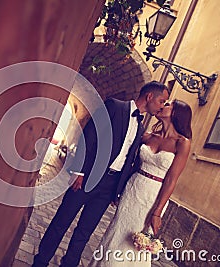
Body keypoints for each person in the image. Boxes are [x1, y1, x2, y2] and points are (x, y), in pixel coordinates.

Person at [32, 81, 169, 267]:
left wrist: (117, 190)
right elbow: (89, 135)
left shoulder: (140, 127)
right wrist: (79, 171)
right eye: (162, 101)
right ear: (150, 96)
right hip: (87, 177)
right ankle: (40, 262)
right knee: (61, 223)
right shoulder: (114, 106)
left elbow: (130, 159)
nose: (162, 106)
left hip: (109, 187)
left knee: (84, 233)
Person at [89, 99, 192, 267]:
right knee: (117, 233)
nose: (161, 106)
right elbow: (126, 153)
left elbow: (171, 180)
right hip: (133, 188)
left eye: (167, 104)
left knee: (137, 245)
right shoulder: (148, 136)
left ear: (175, 113)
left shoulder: (182, 143)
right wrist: (118, 189)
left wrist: (157, 212)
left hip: (153, 198)